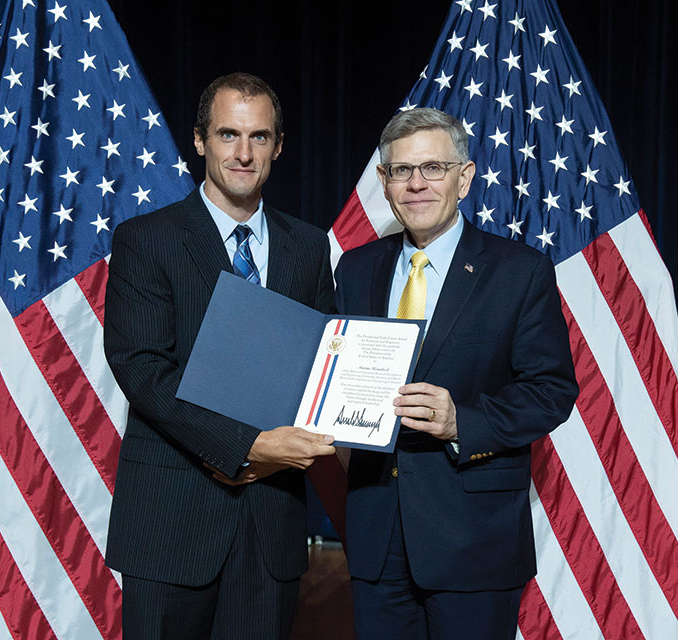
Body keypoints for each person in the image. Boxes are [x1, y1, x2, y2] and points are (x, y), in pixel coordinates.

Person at [103, 72, 336, 640]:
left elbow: (321, 363)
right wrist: (247, 446)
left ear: (278, 147)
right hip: (171, 522)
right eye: (228, 134)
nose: (243, 151)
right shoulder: (146, 238)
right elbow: (143, 367)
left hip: (270, 527)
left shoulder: (308, 246)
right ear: (201, 140)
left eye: (259, 137)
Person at [334, 108, 579, 639]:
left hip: (475, 541)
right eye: (401, 171)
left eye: (433, 168)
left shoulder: (519, 271)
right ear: (384, 181)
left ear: (464, 178)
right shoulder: (355, 269)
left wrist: (460, 423)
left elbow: (551, 392)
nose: (416, 183)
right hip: (376, 535)